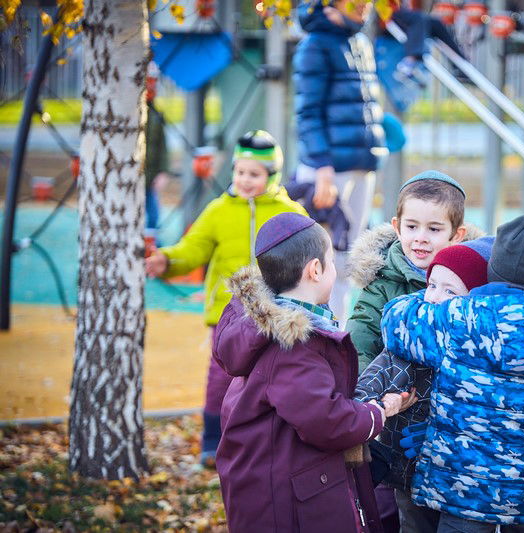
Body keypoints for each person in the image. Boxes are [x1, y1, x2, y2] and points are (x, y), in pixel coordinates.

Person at [380, 214, 524, 531]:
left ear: (494, 269)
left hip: (465, 488)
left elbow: (395, 323)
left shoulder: (462, 318)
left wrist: (429, 295)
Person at [212, 212, 410, 533]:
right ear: (314, 270)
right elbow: (326, 420)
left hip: (269, 477)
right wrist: (375, 413)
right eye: (331, 262)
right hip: (285, 497)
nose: (334, 270)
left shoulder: (264, 326)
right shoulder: (294, 345)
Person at [144, 130, 307, 467]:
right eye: (240, 172)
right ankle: (212, 442)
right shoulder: (219, 210)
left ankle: (267, 439)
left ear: (272, 176)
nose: (245, 180)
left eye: (255, 174)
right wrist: (168, 260)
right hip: (227, 312)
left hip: (275, 310)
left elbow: (306, 249)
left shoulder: (289, 212)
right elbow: (194, 248)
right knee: (221, 377)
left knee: (271, 375)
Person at [356, 237, 495, 533]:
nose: (433, 297)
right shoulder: (412, 335)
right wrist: (357, 411)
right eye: (432, 285)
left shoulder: (484, 350)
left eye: (450, 291)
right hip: (410, 469)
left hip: (463, 477)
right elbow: (377, 375)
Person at [293, 0, 388, 320]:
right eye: (356, 2)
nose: (365, 6)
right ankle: (311, 334)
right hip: (330, 170)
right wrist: (322, 168)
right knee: (317, 259)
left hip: (360, 164)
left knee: (347, 258)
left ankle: (337, 333)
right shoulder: (315, 46)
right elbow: (308, 112)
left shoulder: (359, 41)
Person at [347, 170, 479, 371]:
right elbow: (361, 339)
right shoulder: (382, 282)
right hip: (394, 388)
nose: (421, 237)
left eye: (434, 229)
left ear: (457, 234)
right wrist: (367, 390)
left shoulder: (472, 280)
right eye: (411, 227)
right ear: (397, 227)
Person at [144, 61, 170, 234]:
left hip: (150, 177)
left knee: (152, 217)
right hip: (133, 178)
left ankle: (152, 246)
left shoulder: (155, 114)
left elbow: (161, 146)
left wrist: (162, 171)